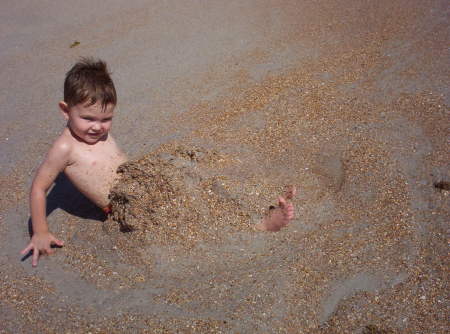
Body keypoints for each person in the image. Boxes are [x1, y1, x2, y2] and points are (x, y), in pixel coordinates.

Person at [20, 58, 295, 267]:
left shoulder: (97, 129)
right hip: (125, 207)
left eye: (106, 119)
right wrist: (40, 231)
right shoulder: (64, 147)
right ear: (65, 110)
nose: (97, 127)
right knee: (181, 222)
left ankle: (251, 207)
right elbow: (38, 189)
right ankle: (258, 227)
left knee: (194, 190)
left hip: (146, 183)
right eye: (88, 119)